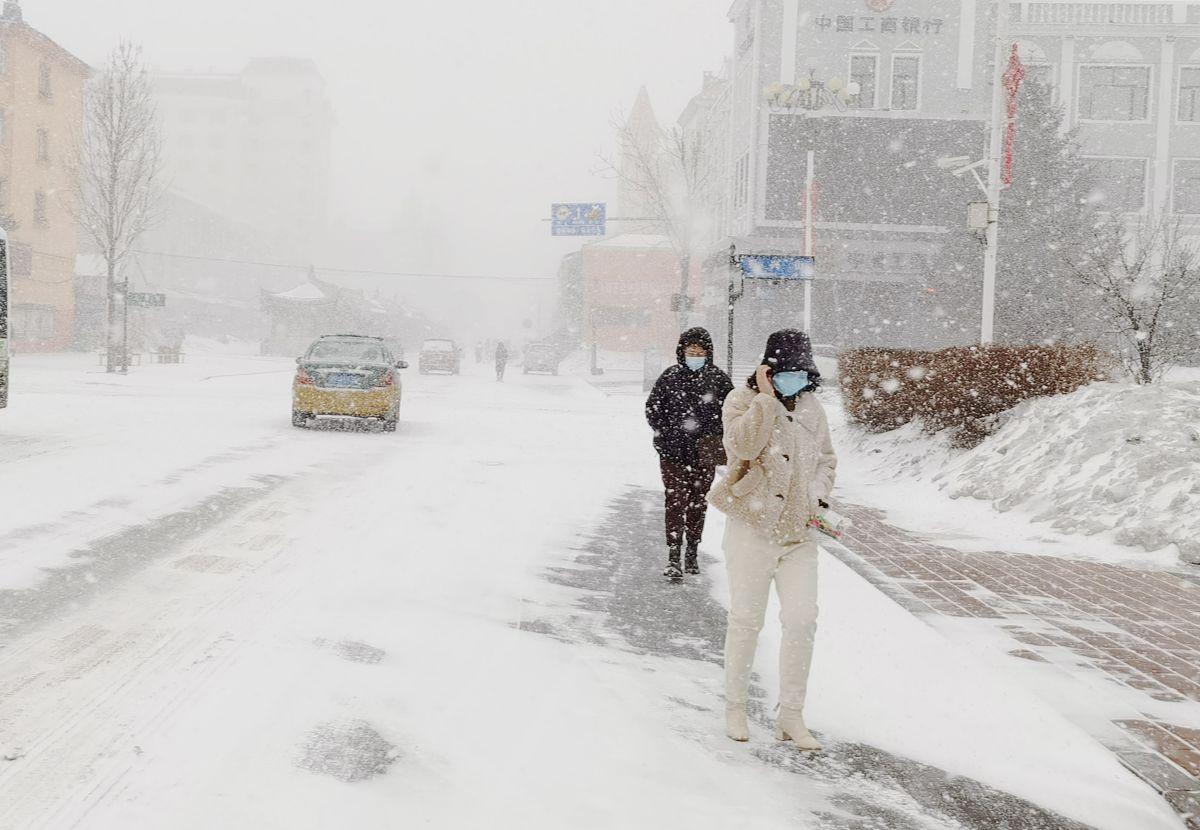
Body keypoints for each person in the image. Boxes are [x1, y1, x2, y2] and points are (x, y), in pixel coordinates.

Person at [708, 329, 836, 750]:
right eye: (784, 371)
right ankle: (735, 708)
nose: (792, 379)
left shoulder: (812, 409)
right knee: (746, 621)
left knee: (802, 621)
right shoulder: (741, 401)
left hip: (798, 534)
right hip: (752, 529)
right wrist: (765, 399)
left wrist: (816, 493)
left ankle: (791, 715)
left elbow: (827, 460)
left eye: (800, 372)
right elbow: (741, 447)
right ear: (768, 369)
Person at [645, 328, 734, 579]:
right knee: (675, 500)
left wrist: (717, 436)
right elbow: (653, 408)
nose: (695, 355)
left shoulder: (718, 379)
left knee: (698, 502)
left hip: (705, 453)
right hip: (672, 451)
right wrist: (664, 432)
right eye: (690, 351)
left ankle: (692, 550)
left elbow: (733, 411)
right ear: (681, 352)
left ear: (708, 353)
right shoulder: (670, 377)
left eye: (700, 351)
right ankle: (674, 554)